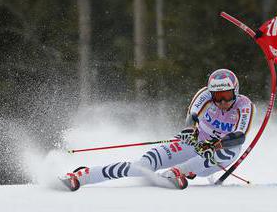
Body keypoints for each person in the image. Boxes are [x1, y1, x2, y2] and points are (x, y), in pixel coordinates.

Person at [61, 69, 255, 191]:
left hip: (218, 153)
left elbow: (239, 137)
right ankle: (85, 175)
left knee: (228, 151)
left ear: (235, 92)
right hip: (195, 142)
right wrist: (189, 130)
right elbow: (192, 116)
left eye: (227, 95)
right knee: (144, 165)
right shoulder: (204, 95)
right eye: (217, 96)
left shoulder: (244, 106)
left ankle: (177, 172)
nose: (222, 101)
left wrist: (217, 143)